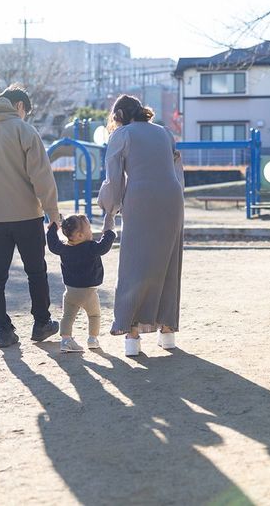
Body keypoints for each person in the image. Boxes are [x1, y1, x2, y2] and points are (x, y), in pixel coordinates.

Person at [0, 84, 61, 348]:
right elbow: (42, 175)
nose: (25, 115)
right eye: (25, 111)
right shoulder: (24, 130)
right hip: (27, 215)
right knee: (36, 272)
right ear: (19, 106)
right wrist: (52, 212)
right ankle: (41, 324)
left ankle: (3, 330)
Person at [97, 94, 184, 357]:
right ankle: (167, 330)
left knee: (134, 264)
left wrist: (109, 212)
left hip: (141, 198)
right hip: (172, 197)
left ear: (119, 116)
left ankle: (132, 333)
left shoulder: (121, 135)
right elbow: (177, 171)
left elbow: (113, 181)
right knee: (169, 262)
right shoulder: (165, 132)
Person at [47, 214, 116, 353]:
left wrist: (53, 227)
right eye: (89, 228)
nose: (91, 231)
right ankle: (92, 339)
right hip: (88, 292)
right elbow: (104, 247)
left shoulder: (63, 248)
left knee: (67, 316)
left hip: (70, 291)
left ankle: (66, 341)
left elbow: (53, 244)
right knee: (94, 315)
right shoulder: (90, 247)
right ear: (79, 235)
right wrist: (108, 232)